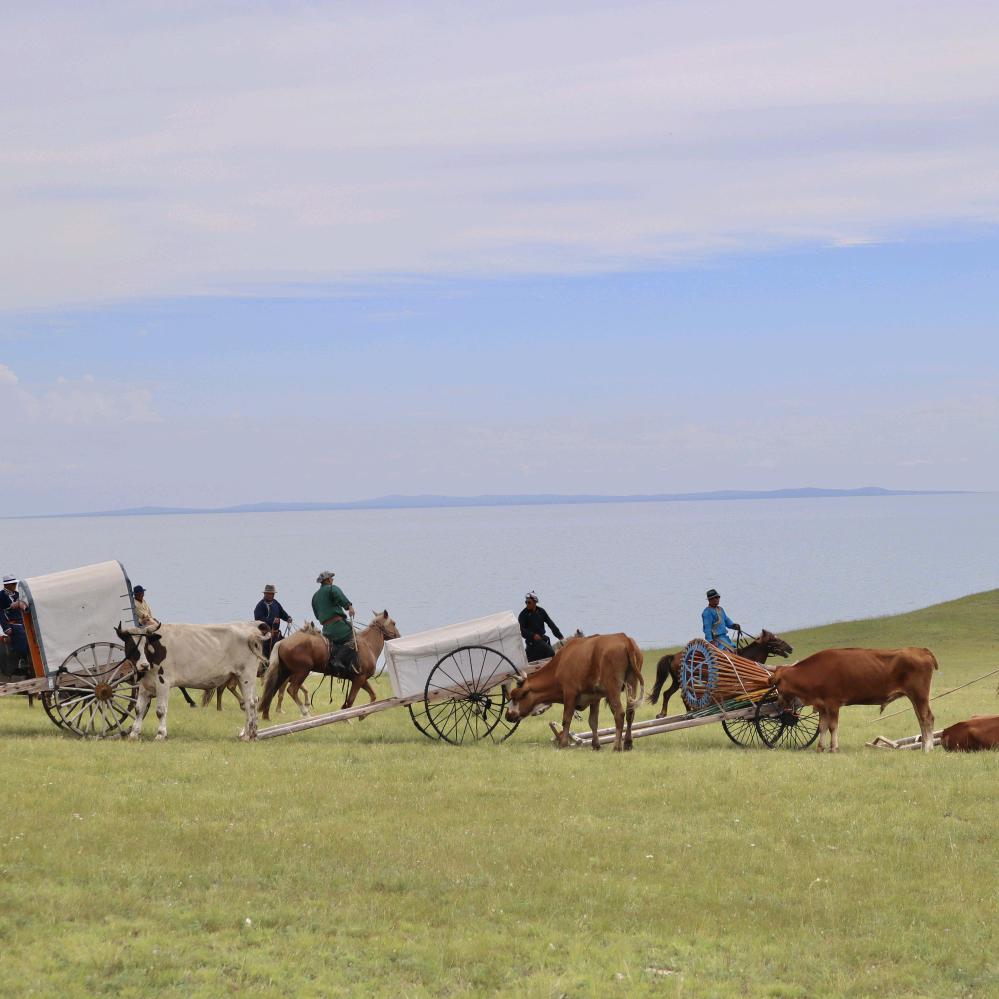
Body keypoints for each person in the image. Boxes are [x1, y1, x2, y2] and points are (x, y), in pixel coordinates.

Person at [310, 570, 358, 677]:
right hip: (339, 627)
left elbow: (317, 616)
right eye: (331, 578)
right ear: (327, 580)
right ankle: (340, 661)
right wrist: (349, 606)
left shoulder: (314, 597)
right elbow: (341, 598)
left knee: (336, 644)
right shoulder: (332, 588)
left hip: (326, 629)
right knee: (355, 638)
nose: (332, 580)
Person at [518, 591, 563, 663]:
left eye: (529, 602)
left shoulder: (541, 611)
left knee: (548, 649)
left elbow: (551, 624)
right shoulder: (523, 615)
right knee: (551, 653)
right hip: (532, 642)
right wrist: (533, 635)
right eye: (526, 602)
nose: (527, 604)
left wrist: (560, 636)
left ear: (535, 602)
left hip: (542, 639)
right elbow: (521, 630)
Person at [0, 574, 30, 675]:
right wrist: (6, 627)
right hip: (12, 623)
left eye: (14, 583)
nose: (14, 585)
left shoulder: (18, 594)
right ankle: (23, 659)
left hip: (23, 621)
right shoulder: (1, 596)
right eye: (11, 583)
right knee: (22, 637)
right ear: (6, 585)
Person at [254, 584, 292, 660]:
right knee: (267, 656)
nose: (271, 595)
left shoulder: (275, 603)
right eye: (269, 593)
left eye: (272, 594)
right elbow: (258, 620)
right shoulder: (260, 606)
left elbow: (282, 613)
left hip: (276, 635)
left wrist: (287, 618)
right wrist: (272, 621)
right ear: (265, 594)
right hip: (266, 637)